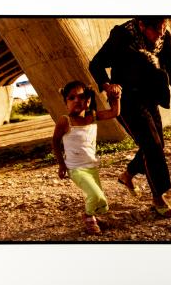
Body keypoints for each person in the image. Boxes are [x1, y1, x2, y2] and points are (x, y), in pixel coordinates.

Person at [89, 17, 171, 217]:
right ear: (142, 25)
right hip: (127, 99)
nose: (161, 34)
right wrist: (107, 85)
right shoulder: (122, 35)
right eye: (157, 30)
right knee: (152, 146)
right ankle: (158, 198)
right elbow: (96, 64)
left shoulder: (165, 38)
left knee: (157, 145)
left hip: (150, 96)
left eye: (164, 29)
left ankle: (127, 175)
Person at [52, 80, 120, 234]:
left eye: (82, 97)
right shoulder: (65, 121)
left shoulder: (92, 116)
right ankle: (88, 217)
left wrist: (116, 97)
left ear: (88, 101)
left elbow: (114, 112)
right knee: (95, 195)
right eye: (72, 97)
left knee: (100, 200)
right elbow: (55, 142)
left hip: (92, 166)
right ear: (65, 102)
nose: (77, 100)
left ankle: (94, 216)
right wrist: (61, 165)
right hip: (76, 168)